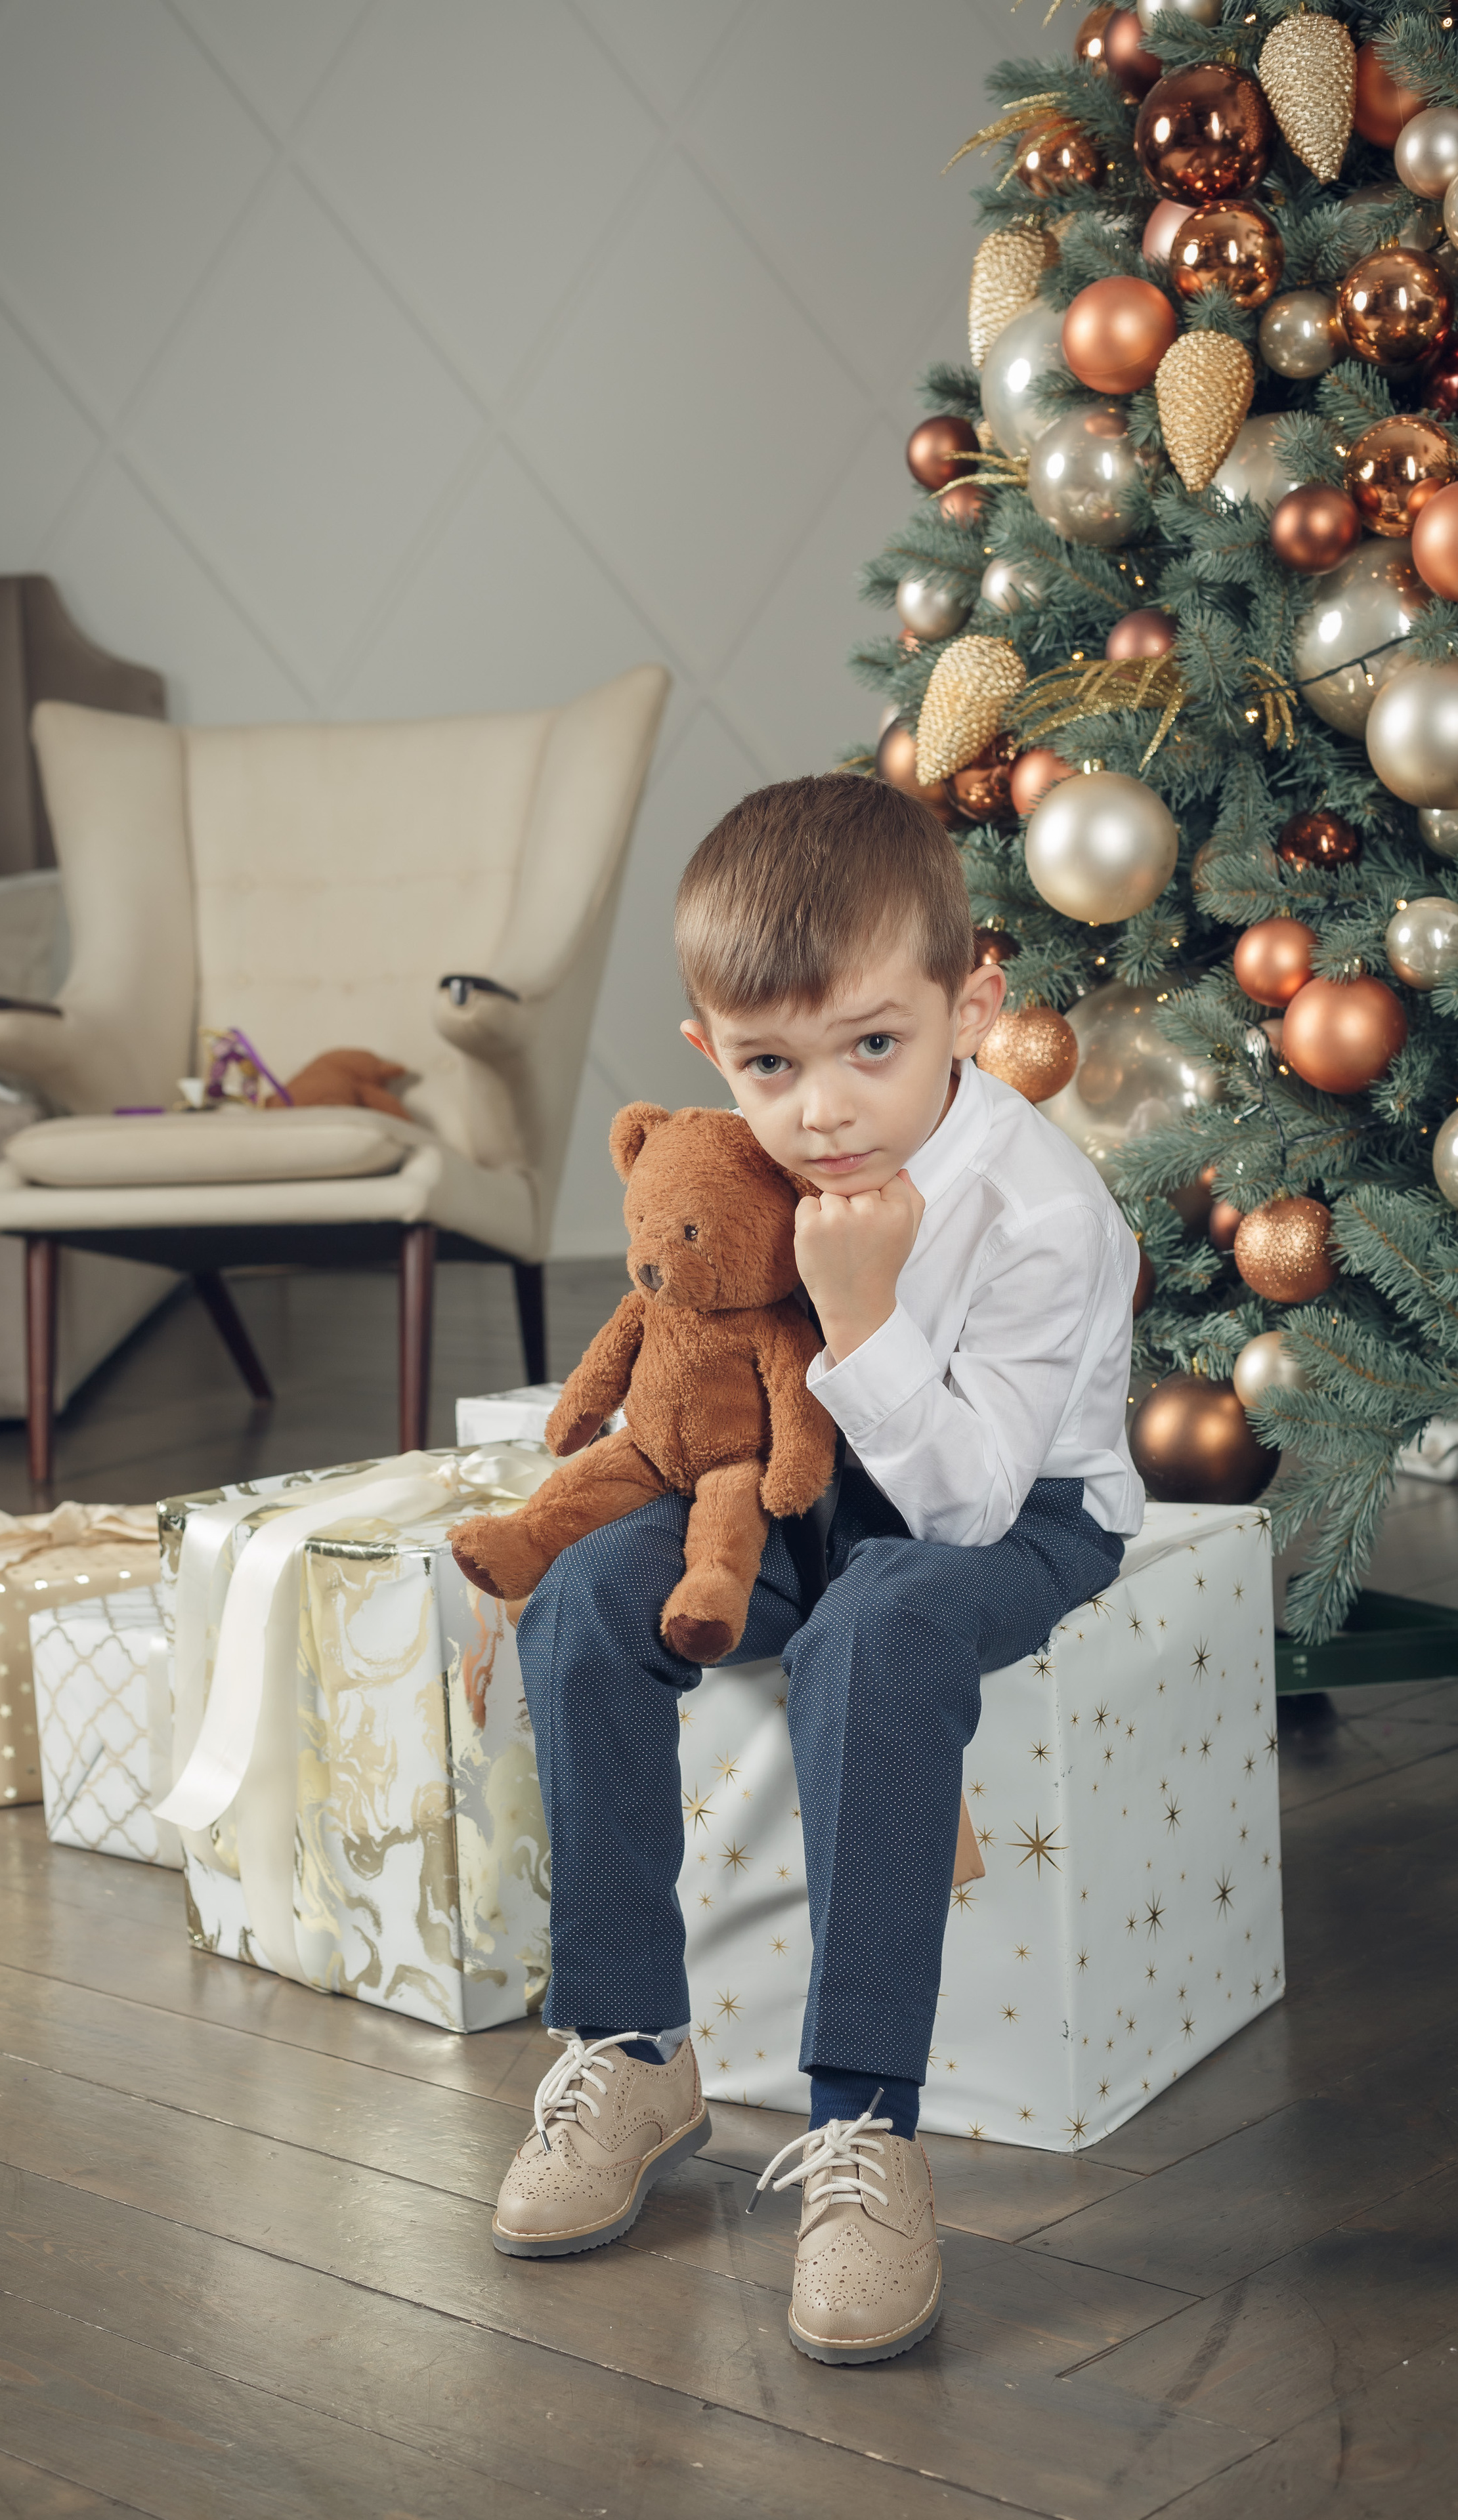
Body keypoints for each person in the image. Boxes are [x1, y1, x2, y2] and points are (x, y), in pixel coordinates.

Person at [490, 773, 1144, 2365]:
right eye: (770, 1066)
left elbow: (969, 1509)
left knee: (874, 1629)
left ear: (967, 1007)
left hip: (1019, 1508)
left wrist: (858, 1314)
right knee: (586, 1602)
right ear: (710, 1051)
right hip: (806, 1483)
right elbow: (703, 1373)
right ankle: (630, 2045)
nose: (824, 1111)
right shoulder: (755, 1158)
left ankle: (863, 2125)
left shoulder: (1041, 1211)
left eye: (871, 1047)